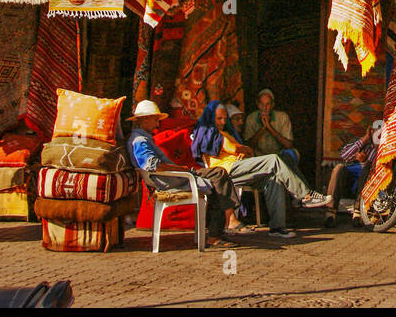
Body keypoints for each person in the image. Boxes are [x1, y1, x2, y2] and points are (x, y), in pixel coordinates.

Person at [192, 101, 332, 239]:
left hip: (241, 167)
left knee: (273, 179)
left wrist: (245, 150)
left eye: (224, 118)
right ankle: (305, 195)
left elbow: (244, 151)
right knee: (273, 159)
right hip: (227, 171)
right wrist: (244, 149)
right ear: (210, 117)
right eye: (219, 118)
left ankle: (277, 227)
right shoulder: (209, 132)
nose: (223, 121)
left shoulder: (226, 132)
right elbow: (235, 149)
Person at [127, 100, 237, 247]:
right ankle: (224, 224)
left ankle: (223, 224)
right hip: (169, 180)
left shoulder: (142, 138)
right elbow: (152, 165)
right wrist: (182, 170)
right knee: (219, 176)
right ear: (145, 119)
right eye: (155, 120)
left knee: (218, 175)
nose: (157, 124)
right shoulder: (140, 140)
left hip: (173, 177)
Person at [323, 120, 382, 228]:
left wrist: (364, 162)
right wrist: (365, 138)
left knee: (368, 168)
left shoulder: (379, 150)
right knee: (339, 168)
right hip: (347, 183)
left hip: (364, 185)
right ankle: (331, 211)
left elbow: (378, 165)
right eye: (375, 131)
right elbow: (345, 155)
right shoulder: (359, 143)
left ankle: (358, 211)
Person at [243, 88, 299, 168]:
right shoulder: (251, 118)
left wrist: (269, 127)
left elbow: (289, 145)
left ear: (272, 105)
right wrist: (263, 128)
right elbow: (248, 146)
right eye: (261, 104)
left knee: (293, 153)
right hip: (258, 158)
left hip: (278, 156)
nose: (264, 107)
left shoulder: (283, 117)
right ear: (257, 104)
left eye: (268, 104)